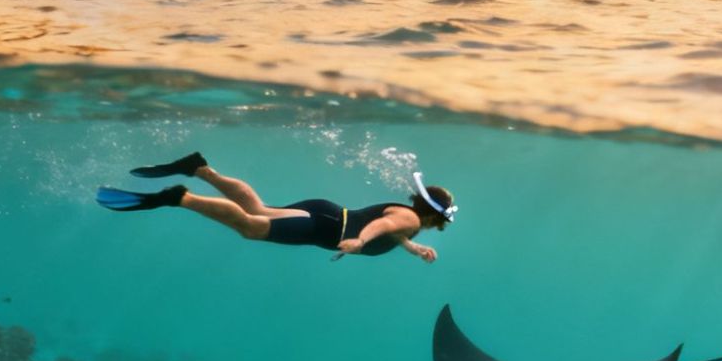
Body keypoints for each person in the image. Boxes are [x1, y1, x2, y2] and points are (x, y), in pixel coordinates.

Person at [96, 152, 455, 262]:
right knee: (252, 227)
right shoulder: (407, 220)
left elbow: (392, 229)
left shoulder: (406, 219)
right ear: (434, 216)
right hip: (325, 228)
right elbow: (383, 228)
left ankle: (200, 169)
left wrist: (413, 247)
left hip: (327, 213)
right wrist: (360, 242)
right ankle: (180, 197)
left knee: (257, 207)